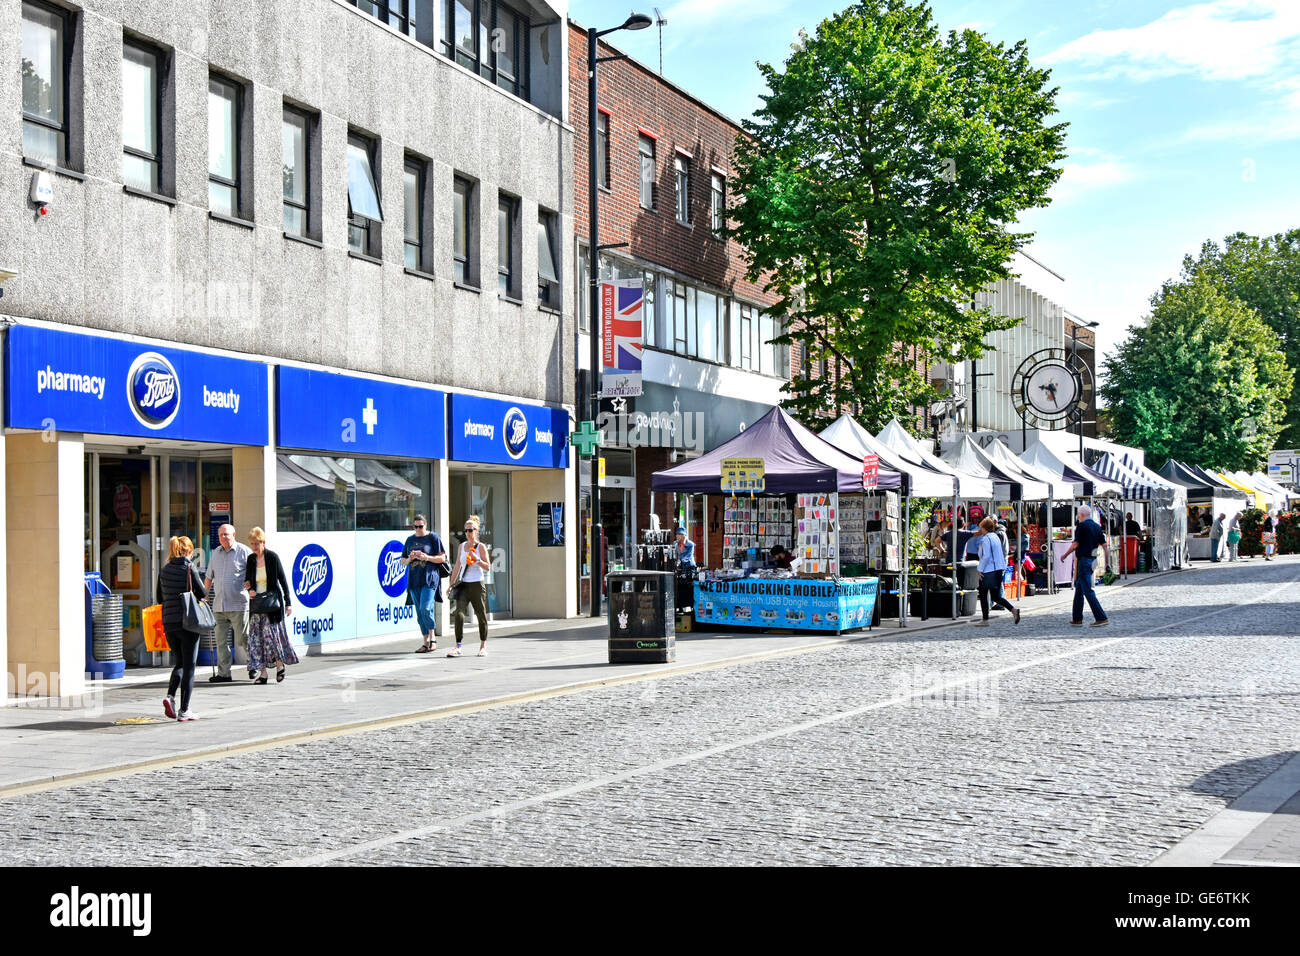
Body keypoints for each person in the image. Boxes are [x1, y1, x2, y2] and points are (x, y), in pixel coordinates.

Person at [157, 536, 206, 722]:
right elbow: (201, 592)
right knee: (189, 667)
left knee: (178, 662)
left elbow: (159, 597)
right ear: (187, 551)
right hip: (188, 622)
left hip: (169, 623)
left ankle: (170, 696)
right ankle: (185, 710)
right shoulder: (188, 567)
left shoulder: (164, 570)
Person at [243, 527, 298, 684]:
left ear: (263, 542)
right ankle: (263, 674)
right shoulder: (251, 559)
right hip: (257, 606)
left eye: (256, 543)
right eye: (252, 544)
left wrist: (288, 603)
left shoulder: (272, 557)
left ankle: (280, 666)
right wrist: (249, 588)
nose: (254, 547)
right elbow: (248, 580)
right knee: (255, 641)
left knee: (271, 638)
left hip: (272, 605)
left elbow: (283, 580)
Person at [205, 523, 251, 683]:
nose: (223, 538)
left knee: (243, 638)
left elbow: (254, 573)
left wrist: (252, 586)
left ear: (234, 534)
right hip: (219, 605)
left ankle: (254, 665)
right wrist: (205, 594)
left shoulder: (244, 552)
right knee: (221, 642)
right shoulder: (215, 553)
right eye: (220, 535)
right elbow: (209, 576)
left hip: (238, 604)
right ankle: (224, 674)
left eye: (226, 534)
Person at [403, 514, 448, 653]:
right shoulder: (410, 540)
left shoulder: (433, 537)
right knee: (419, 612)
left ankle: (433, 638)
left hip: (429, 578)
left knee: (425, 608)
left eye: (420, 526)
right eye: (415, 527)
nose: (418, 529)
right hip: (414, 579)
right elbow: (402, 561)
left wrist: (426, 557)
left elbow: (442, 558)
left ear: (426, 525)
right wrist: (410, 558)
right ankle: (425, 641)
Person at [448, 515, 491, 658]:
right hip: (464, 584)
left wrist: (477, 560)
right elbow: (457, 567)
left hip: (477, 583)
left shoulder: (481, 547)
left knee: (480, 614)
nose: (468, 533)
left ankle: (483, 645)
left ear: (476, 531)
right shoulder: (461, 546)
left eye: (471, 530)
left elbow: (488, 567)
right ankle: (458, 646)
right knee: (459, 614)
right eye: (466, 530)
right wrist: (451, 584)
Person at [1062, 504, 1109, 627]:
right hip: (1093, 561)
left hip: (1084, 560)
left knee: (1087, 590)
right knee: (1079, 588)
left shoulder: (1081, 526)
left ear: (1082, 515)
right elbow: (1104, 546)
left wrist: (1065, 555)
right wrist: (1107, 562)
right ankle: (1077, 618)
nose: (1078, 517)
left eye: (1078, 515)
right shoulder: (1097, 527)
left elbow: (1076, 544)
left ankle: (1101, 617)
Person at [973, 517, 1019, 626]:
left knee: (983, 594)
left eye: (981, 528)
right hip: (998, 569)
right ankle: (1013, 610)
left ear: (984, 528)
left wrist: (980, 569)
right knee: (995, 596)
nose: (980, 530)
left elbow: (986, 556)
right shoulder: (995, 537)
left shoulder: (985, 539)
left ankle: (985, 620)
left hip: (989, 570)